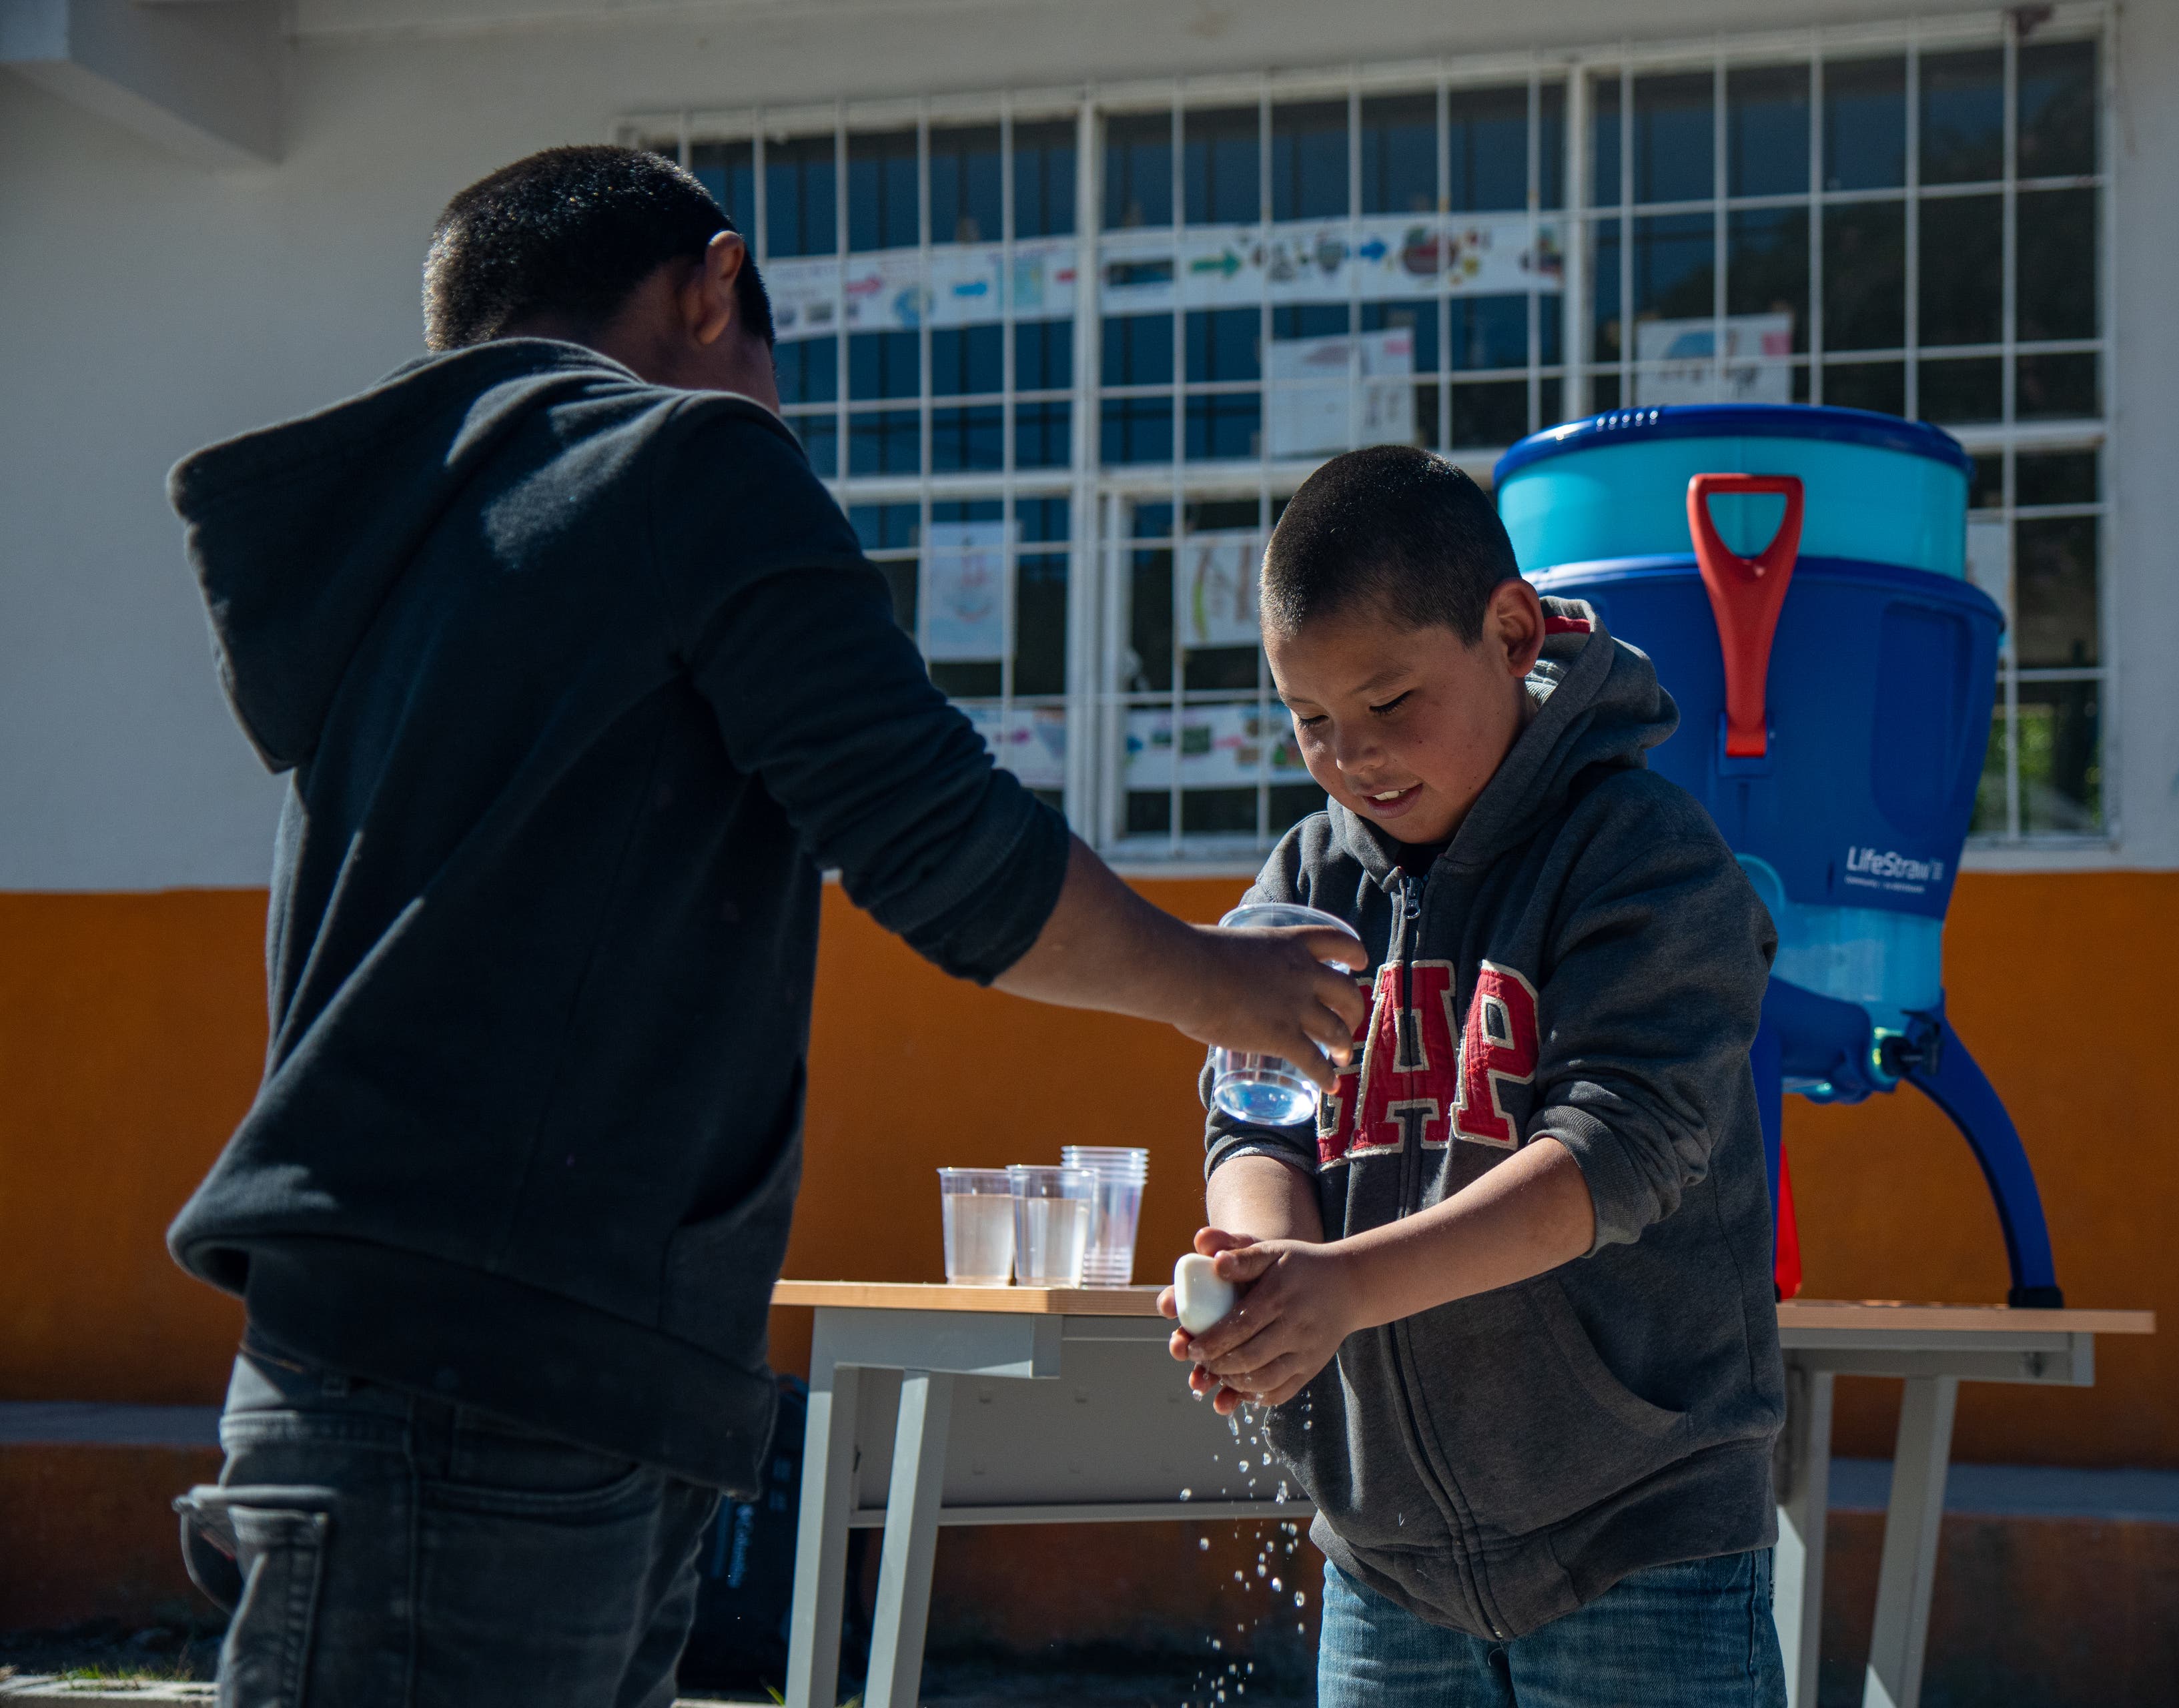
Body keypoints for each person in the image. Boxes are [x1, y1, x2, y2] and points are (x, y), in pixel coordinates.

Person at [163, 145, 1365, 1708]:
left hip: (405, 1367)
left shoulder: (422, 542)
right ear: (712, 284)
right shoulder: (683, 464)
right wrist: (1222, 982)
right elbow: (932, 837)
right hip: (505, 1391)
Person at [1162, 446, 1784, 1707]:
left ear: (1510, 632)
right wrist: (1265, 1280)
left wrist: (1341, 1289)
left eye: (1391, 704)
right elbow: (1256, 1121)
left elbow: (1614, 1154)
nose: (1352, 759)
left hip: (1642, 1547)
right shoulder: (1303, 887)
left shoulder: (1642, 855)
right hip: (1385, 1574)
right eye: (1310, 719)